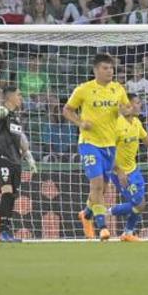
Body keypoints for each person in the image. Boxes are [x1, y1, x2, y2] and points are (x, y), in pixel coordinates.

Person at [62, 52, 128, 241]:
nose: (110, 71)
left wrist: (127, 110)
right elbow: (67, 110)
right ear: (96, 70)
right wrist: (80, 123)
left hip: (109, 145)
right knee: (97, 185)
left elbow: (125, 109)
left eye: (111, 68)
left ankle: (86, 213)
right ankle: (103, 227)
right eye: (105, 68)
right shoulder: (84, 89)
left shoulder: (118, 89)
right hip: (89, 144)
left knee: (102, 189)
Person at [110, 92, 148, 242]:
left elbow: (147, 140)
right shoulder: (116, 125)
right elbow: (107, 151)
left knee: (139, 204)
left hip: (134, 169)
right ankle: (100, 213)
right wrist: (119, 171)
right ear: (127, 105)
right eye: (137, 103)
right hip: (119, 171)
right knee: (139, 203)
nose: (140, 105)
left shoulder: (136, 122)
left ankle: (128, 233)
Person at [0, 85, 37, 244]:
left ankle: (7, 232)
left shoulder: (16, 118)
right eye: (19, 95)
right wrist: (0, 110)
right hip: (3, 157)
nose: (21, 98)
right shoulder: (4, 113)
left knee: (11, 196)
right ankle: (2, 232)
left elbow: (21, 139)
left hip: (16, 160)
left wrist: (29, 157)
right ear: (9, 97)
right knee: (6, 191)